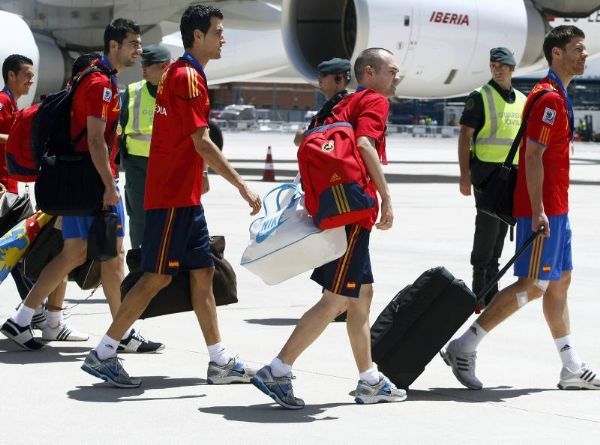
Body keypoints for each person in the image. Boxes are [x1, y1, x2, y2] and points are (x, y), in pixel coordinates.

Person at [80, 4, 261, 389]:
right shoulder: (189, 78)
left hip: (185, 196)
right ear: (198, 36)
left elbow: (183, 141)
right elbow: (201, 141)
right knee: (156, 277)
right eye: (217, 31)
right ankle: (104, 353)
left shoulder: (180, 73)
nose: (223, 37)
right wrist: (241, 184)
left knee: (204, 271)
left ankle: (219, 360)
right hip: (172, 199)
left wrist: (201, 180)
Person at [441, 25, 600, 391]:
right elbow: (532, 156)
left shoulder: (556, 94)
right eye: (577, 48)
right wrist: (539, 208)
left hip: (556, 206)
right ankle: (464, 346)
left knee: (559, 281)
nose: (584, 54)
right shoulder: (548, 99)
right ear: (556, 54)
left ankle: (570, 365)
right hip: (542, 208)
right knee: (532, 284)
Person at [251, 48, 406, 409]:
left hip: (335, 209)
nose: (397, 77)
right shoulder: (374, 102)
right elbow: (365, 145)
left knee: (361, 296)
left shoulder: (343, 103)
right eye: (392, 71)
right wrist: (386, 196)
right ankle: (278, 369)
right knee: (336, 299)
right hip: (354, 215)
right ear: (370, 71)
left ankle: (369, 379)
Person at [1, 19, 162, 353]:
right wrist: (109, 185)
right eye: (132, 43)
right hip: (94, 181)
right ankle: (121, 333)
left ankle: (22, 317)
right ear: (114, 46)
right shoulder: (100, 84)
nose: (138, 50)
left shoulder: (91, 78)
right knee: (114, 256)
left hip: (79, 179)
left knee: (73, 252)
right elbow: (94, 139)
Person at [457, 48, 526, 306]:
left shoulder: (521, 99)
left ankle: (493, 289)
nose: (498, 69)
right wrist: (464, 175)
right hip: (487, 174)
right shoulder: (480, 96)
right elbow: (465, 135)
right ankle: (479, 287)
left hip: (512, 175)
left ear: (512, 69)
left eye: (503, 65)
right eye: (494, 65)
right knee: (486, 230)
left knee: (501, 231)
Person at [119, 44, 170, 249]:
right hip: (137, 166)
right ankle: (138, 263)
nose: (143, 68)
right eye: (143, 64)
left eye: (148, 64)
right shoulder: (133, 92)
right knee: (139, 217)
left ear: (165, 67)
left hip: (167, 165)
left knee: (166, 217)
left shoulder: (176, 92)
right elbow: (119, 128)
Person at [293, 57, 351, 146]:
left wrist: (305, 135)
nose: (319, 80)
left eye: (324, 75)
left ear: (339, 79)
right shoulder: (329, 107)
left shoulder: (347, 106)